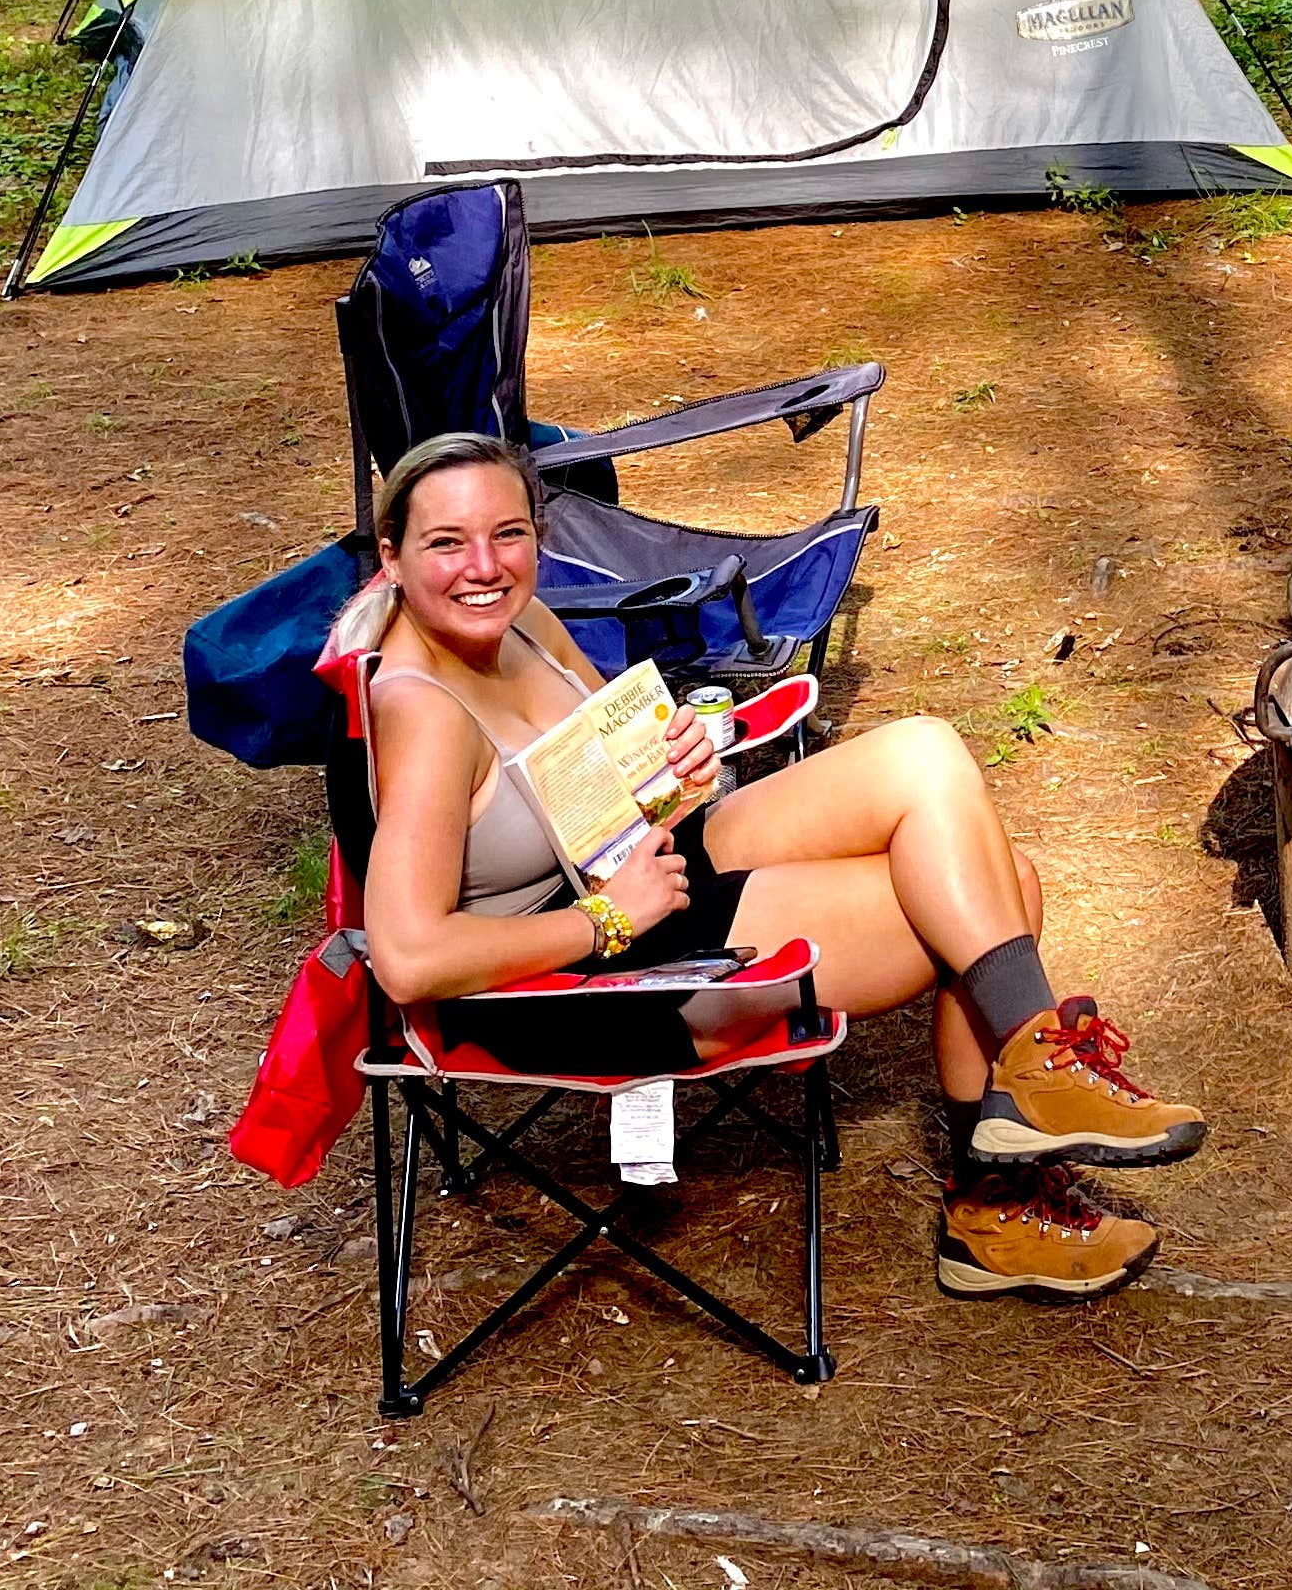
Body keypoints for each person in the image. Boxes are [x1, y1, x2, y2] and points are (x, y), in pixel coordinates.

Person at [351, 429, 1200, 1301]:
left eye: (509, 533)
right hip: (574, 974)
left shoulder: (523, 619)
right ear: (393, 556)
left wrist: (674, 761)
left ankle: (1033, 1068)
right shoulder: (423, 712)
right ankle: (1000, 1194)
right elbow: (409, 959)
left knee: (923, 751)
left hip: (634, 865)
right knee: (1003, 889)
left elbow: (615, 771)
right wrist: (607, 919)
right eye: (446, 543)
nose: (484, 565)